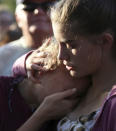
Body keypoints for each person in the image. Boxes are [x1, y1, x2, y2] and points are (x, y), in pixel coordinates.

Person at [13, 0, 116, 130]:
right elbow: (15, 76)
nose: (61, 56)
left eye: (71, 45)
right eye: (59, 44)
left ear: (105, 41)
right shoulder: (79, 85)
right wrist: (25, 62)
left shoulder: (112, 103)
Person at [0, 37, 90, 131]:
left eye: (79, 96)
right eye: (67, 93)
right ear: (40, 69)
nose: (71, 103)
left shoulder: (62, 117)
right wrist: (40, 117)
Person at [0, 0, 54, 76]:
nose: (38, 11)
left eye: (48, 5)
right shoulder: (2, 57)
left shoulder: (72, 53)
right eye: (29, 6)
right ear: (17, 18)